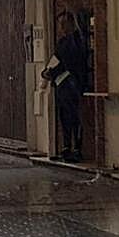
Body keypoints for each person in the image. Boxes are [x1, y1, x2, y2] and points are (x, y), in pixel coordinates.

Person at [43, 11, 88, 163]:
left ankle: (76, 148)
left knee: (73, 117)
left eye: (63, 24)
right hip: (60, 85)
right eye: (60, 25)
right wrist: (47, 71)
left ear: (70, 24)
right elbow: (55, 59)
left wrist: (52, 72)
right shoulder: (62, 42)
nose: (61, 28)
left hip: (71, 85)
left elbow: (70, 62)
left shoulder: (77, 41)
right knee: (64, 117)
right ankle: (67, 146)